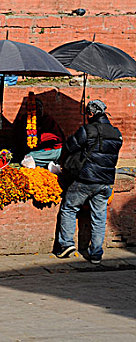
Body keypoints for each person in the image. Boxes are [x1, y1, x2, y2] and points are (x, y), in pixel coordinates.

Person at [55, 100, 123, 264]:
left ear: (91, 114)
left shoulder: (88, 130)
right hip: (106, 182)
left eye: (87, 114)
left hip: (86, 179)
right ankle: (96, 253)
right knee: (99, 216)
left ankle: (66, 244)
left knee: (69, 208)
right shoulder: (116, 133)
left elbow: (70, 146)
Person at [15, 96, 65, 168]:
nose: (36, 111)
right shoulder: (24, 120)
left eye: (39, 108)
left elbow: (53, 139)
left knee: (29, 158)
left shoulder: (47, 120)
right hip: (39, 151)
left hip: (53, 150)